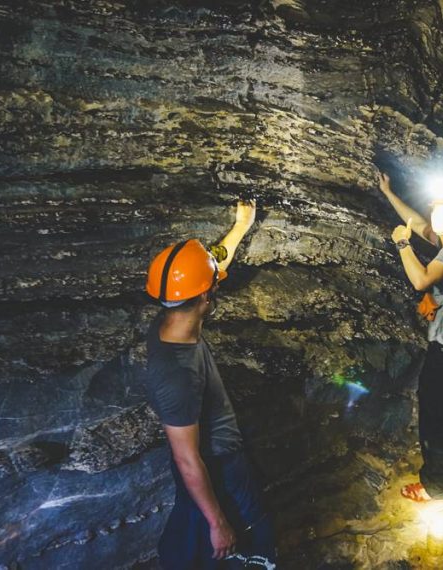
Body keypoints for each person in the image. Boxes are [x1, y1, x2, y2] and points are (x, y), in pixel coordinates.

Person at [142, 201, 276, 570]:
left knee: (189, 531)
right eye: (212, 285)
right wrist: (219, 523)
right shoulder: (178, 376)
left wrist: (241, 226)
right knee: (248, 541)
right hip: (216, 465)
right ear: (205, 297)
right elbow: (187, 458)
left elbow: (214, 264)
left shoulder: (168, 318)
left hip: (207, 463)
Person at [376, 171, 443, 503]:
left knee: (435, 411)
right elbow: (418, 220)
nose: (437, 215)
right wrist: (388, 191)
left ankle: (434, 485)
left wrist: (402, 244)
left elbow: (421, 281)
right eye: (436, 207)